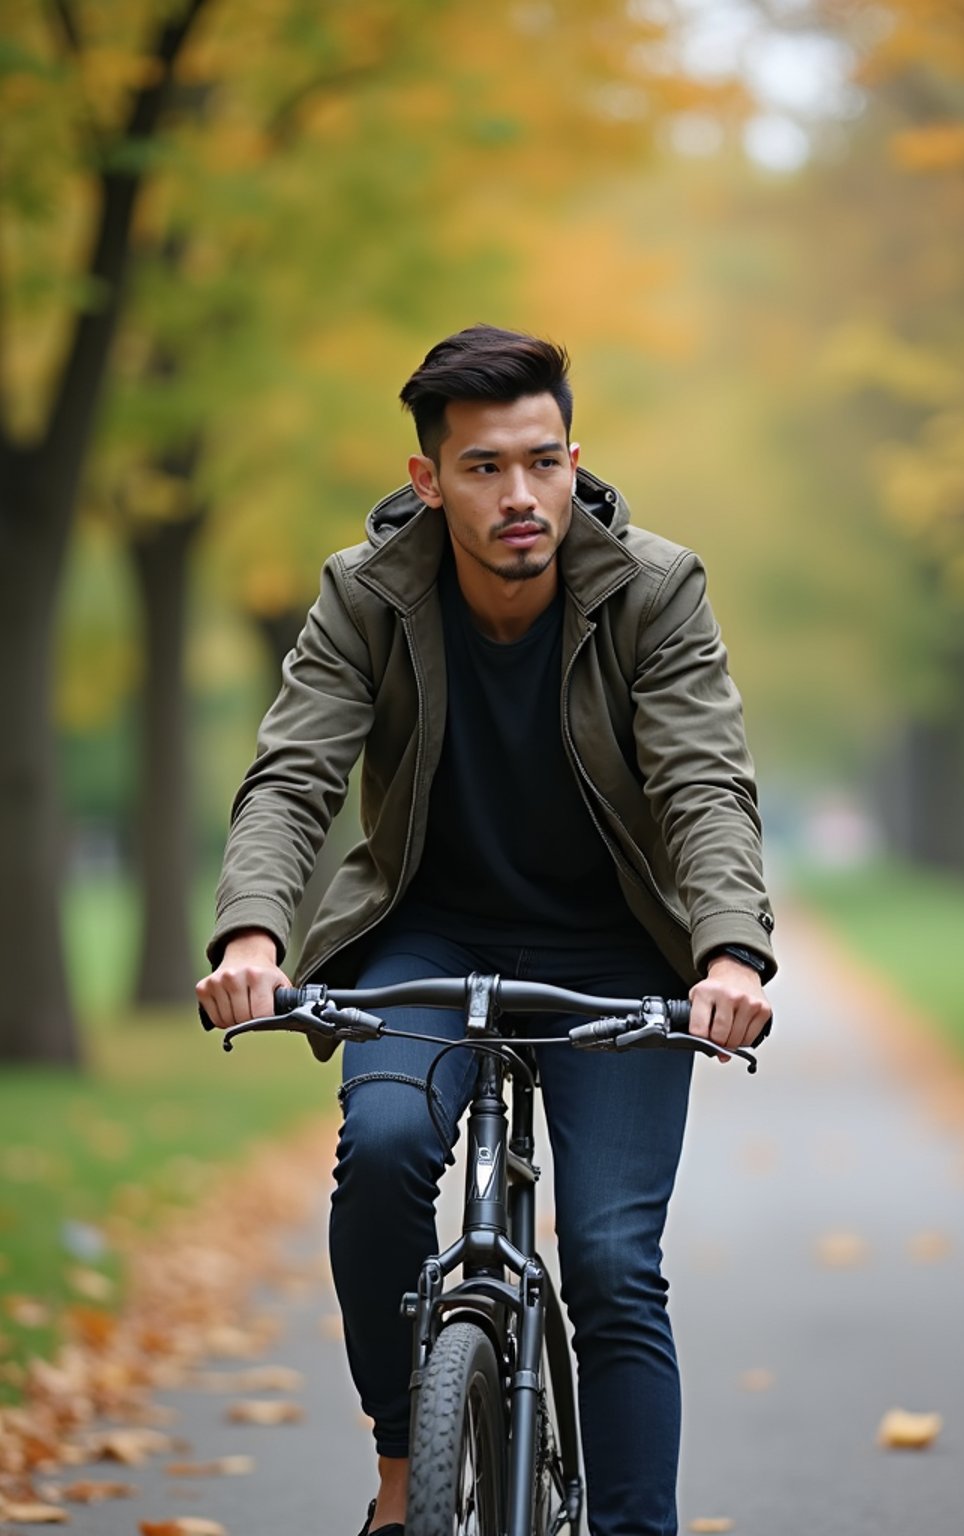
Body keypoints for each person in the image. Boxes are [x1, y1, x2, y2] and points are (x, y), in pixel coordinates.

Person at [196, 324, 775, 1536]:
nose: (521, 496)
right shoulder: (366, 594)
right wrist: (252, 936)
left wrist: (727, 952)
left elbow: (701, 786)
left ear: (573, 458)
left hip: (611, 948)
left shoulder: (653, 590)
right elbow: (294, 778)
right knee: (391, 1148)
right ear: (427, 479)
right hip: (431, 934)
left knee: (613, 1266)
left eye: (543, 460)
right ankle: (405, 1469)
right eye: (482, 467)